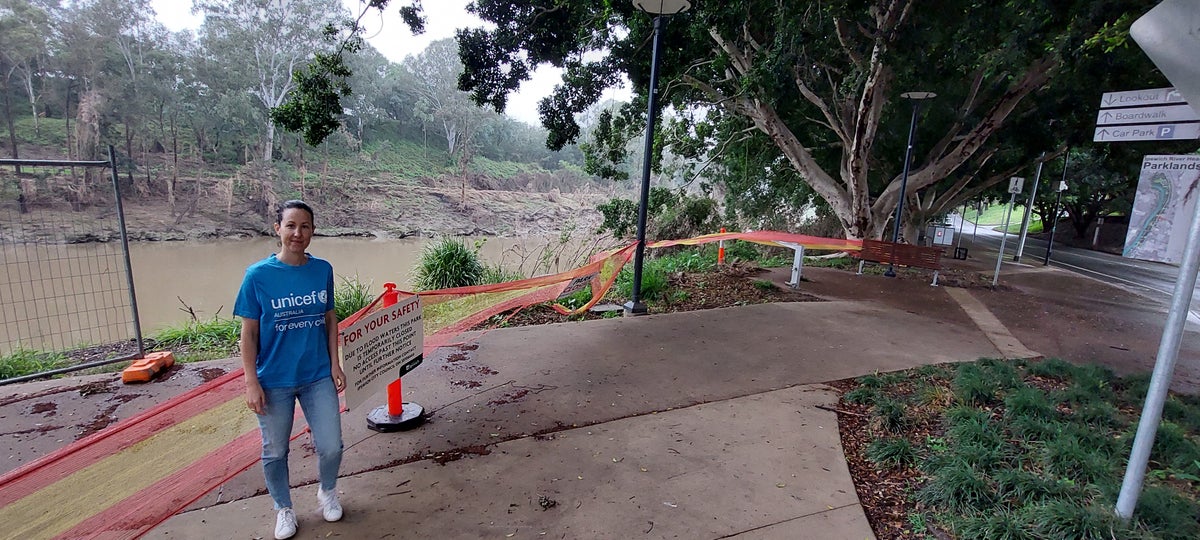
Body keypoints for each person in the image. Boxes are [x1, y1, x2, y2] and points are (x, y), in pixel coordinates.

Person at [234, 200, 346, 540]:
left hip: (316, 376)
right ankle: (283, 508)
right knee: (275, 450)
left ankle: (327, 491)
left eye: (305, 227)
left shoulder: (322, 270)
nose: (298, 233)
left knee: (332, 446)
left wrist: (334, 363)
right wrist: (251, 381)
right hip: (274, 380)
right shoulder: (258, 276)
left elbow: (329, 319)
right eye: (291, 226)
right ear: (277, 229)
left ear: (313, 231)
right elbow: (249, 333)